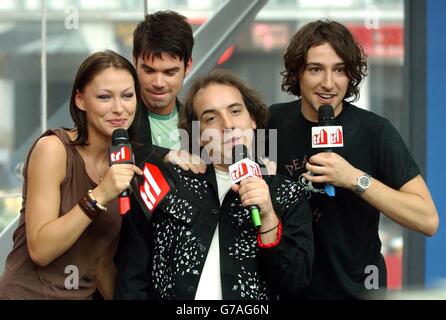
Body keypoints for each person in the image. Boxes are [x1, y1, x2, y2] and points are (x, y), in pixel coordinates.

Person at [268, 20, 439, 299]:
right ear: (298, 72)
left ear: (351, 76)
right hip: (287, 289)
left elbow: (427, 219)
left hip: (358, 290)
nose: (328, 83)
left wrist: (354, 179)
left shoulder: (374, 131)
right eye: (315, 69)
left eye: (339, 70)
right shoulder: (271, 122)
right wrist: (190, 154)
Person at [114, 69, 314, 300]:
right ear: (197, 135)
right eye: (211, 118)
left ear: (253, 120)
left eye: (236, 111)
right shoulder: (167, 183)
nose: (228, 125)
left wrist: (268, 216)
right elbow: (131, 276)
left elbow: (295, 282)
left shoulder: (287, 193)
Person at [0, 50, 143, 299]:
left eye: (128, 96)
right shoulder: (54, 149)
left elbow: (101, 265)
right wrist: (99, 195)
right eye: (104, 97)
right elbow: (40, 250)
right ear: (80, 100)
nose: (119, 108)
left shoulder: (124, 163)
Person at [131, 10, 205, 174]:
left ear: (188, 66)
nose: (158, 83)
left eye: (170, 73)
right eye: (149, 71)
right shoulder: (118, 116)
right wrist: (164, 156)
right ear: (135, 60)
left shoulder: (199, 124)